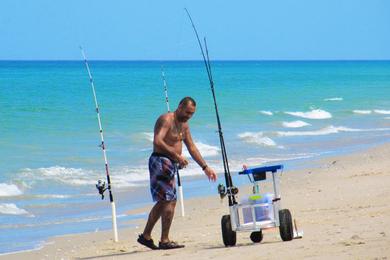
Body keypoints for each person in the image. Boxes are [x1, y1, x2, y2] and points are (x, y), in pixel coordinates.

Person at [137, 96, 217, 250]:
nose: (188, 116)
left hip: (171, 163)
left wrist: (205, 167)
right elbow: (157, 141)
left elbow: (192, 147)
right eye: (187, 112)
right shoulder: (166, 119)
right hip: (160, 161)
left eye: (191, 114)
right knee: (170, 200)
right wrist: (176, 156)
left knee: (163, 201)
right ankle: (164, 240)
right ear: (179, 106)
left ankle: (146, 236)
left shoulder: (184, 126)